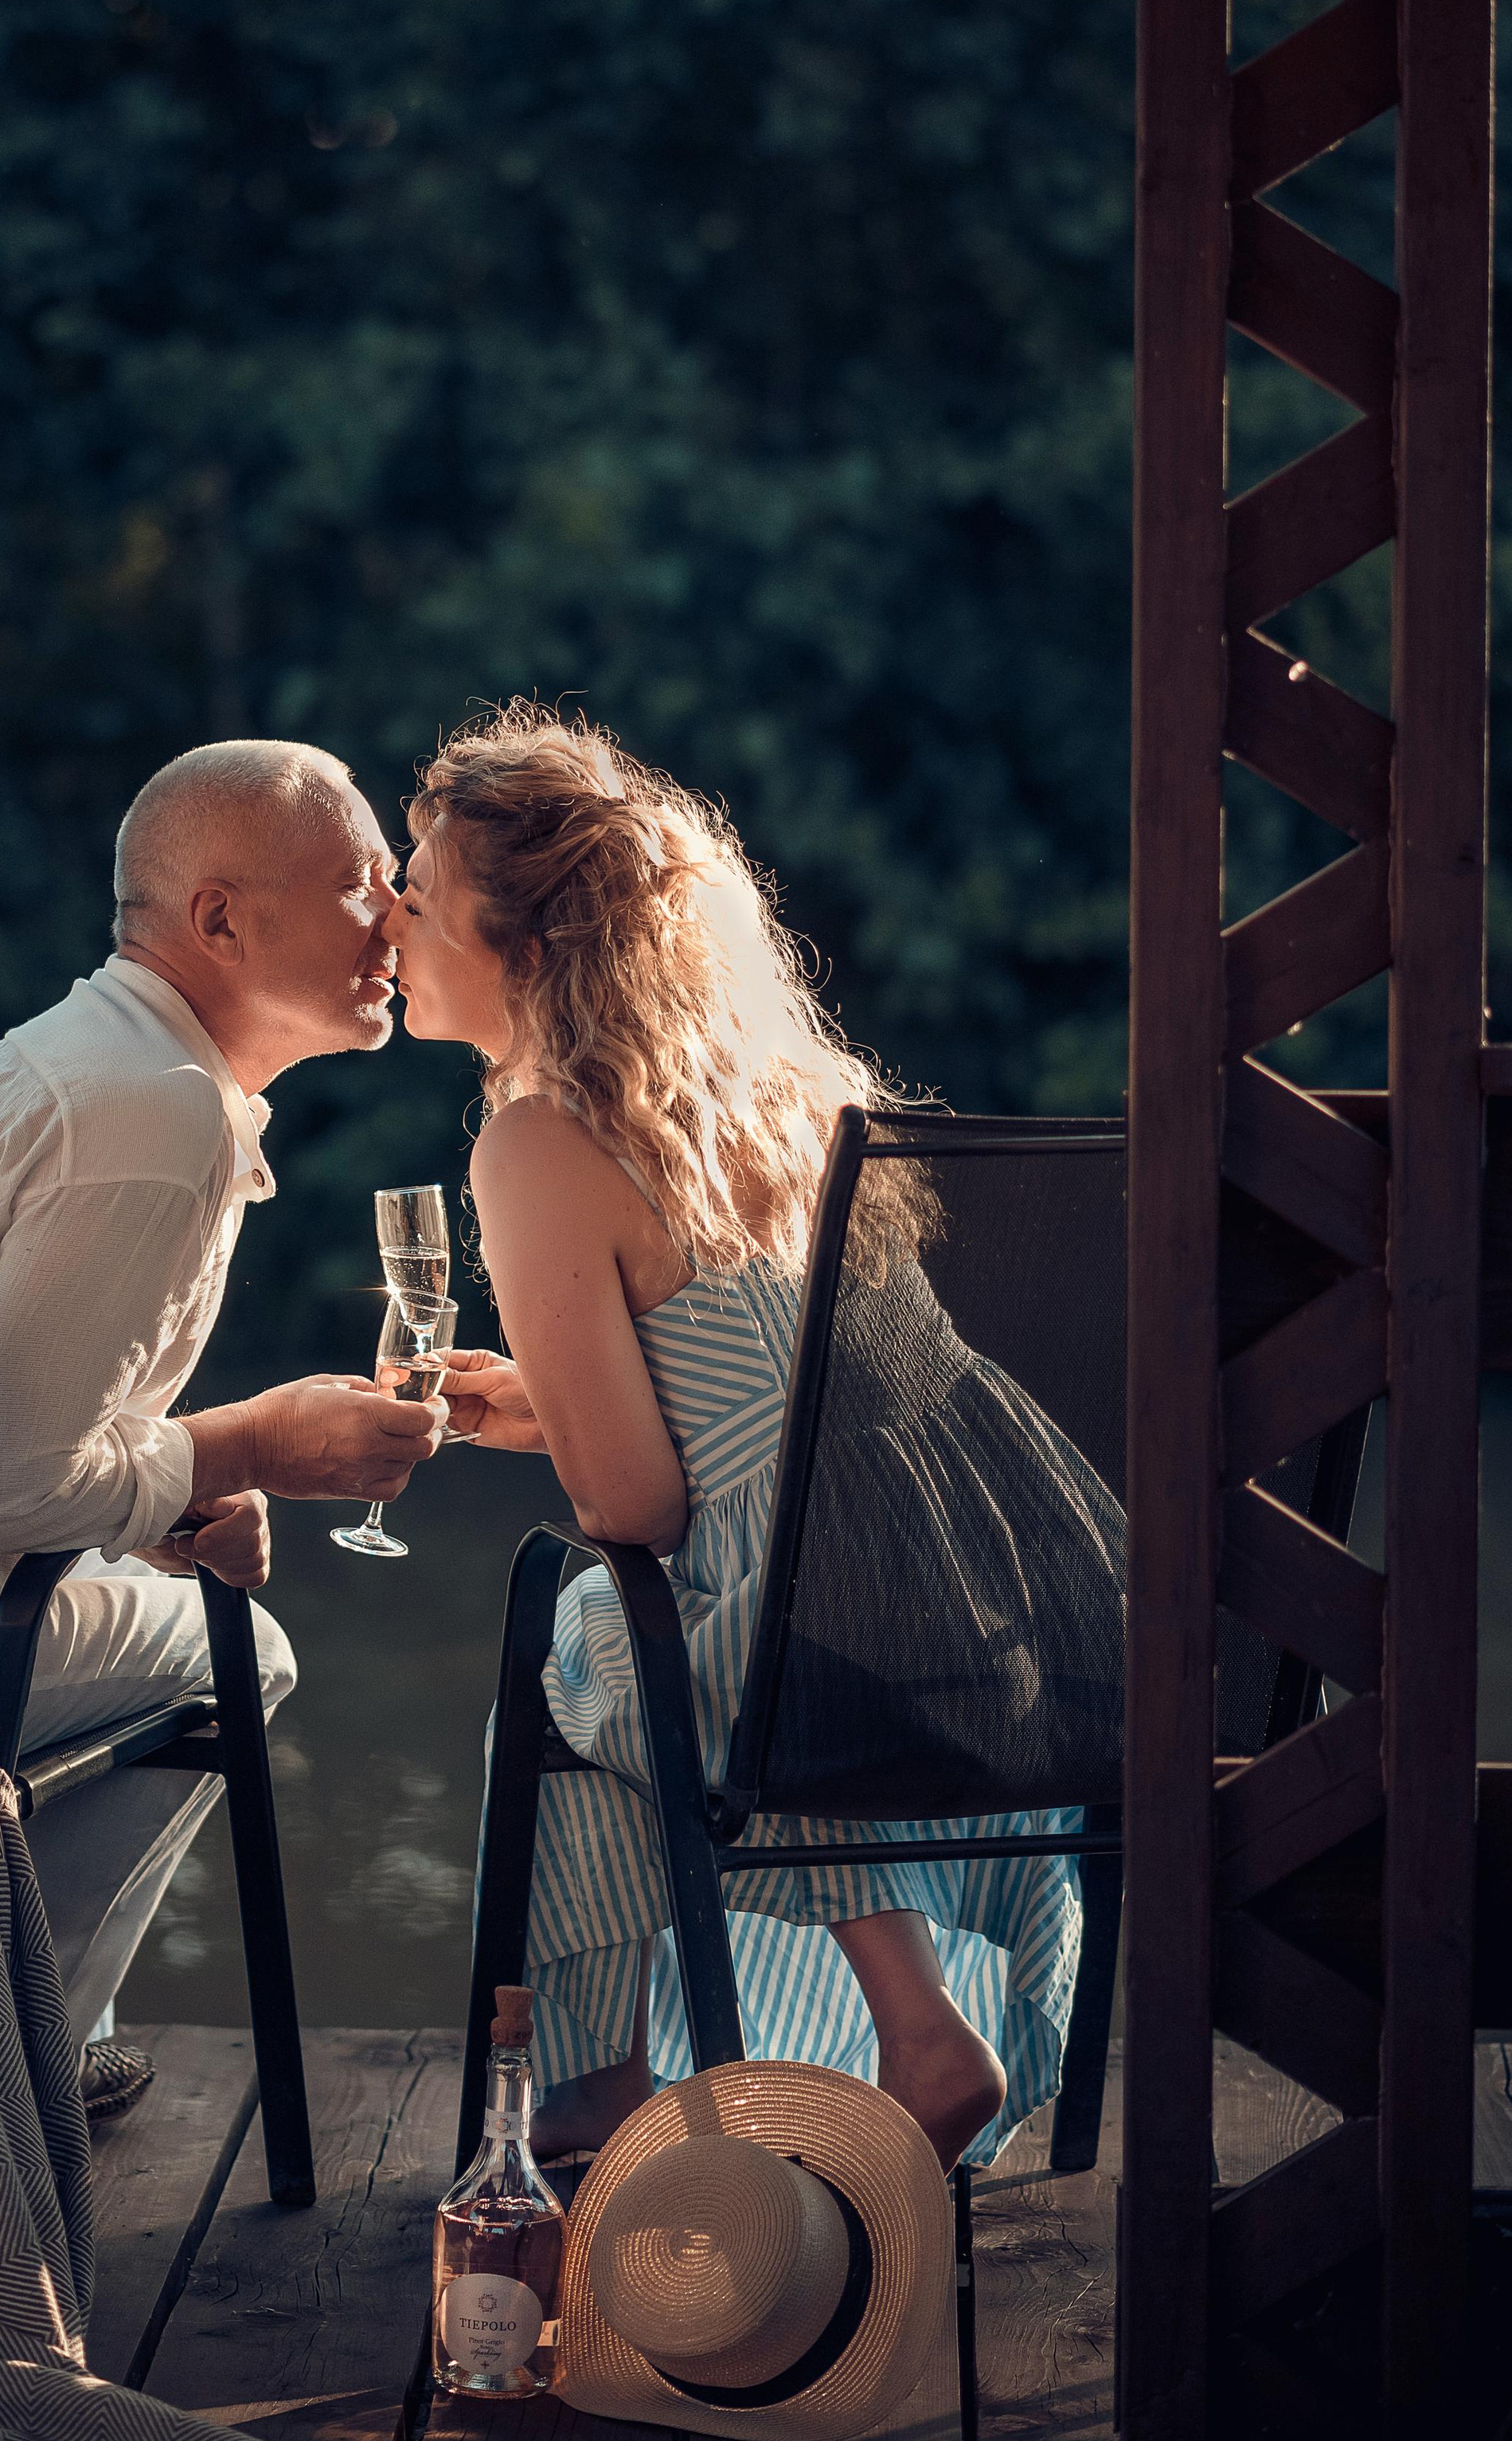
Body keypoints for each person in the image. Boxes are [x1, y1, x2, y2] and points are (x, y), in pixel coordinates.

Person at [385, 704, 1124, 2175]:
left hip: (827, 1651)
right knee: (659, 1640)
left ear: (522, 948)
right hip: (1011, 1598)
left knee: (577, 1659)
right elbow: (764, 1417)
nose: (393, 926)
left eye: (415, 894)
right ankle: (907, 2020)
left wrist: (559, 1429)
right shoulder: (768, 1096)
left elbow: (644, 1505)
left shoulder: (537, 1142)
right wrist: (532, 1401)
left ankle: (603, 2082)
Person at [0, 737, 440, 2114]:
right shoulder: (158, 1116)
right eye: (356, 883)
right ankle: (25, 2058)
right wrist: (249, 1446)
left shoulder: (56, 1068)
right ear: (218, 916)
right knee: (241, 1654)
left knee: (179, 1604)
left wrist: (161, 1499)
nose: (395, 916)